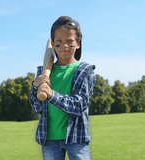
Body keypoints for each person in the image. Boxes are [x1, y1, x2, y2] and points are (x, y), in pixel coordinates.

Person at [29, 16, 96, 160]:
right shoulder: (44, 72)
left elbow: (79, 105)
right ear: (52, 44)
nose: (64, 46)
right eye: (59, 42)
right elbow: (37, 107)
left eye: (70, 42)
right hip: (49, 138)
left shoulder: (85, 70)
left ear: (78, 43)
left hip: (76, 138)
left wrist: (52, 95)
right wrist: (35, 88)